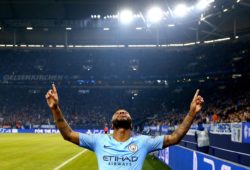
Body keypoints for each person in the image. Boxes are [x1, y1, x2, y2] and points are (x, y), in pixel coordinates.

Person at [45, 84, 204, 170]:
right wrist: (55, 109)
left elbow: (175, 137)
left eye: (125, 112)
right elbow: (68, 134)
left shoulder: (143, 142)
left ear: (131, 122)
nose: (121, 112)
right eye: (118, 112)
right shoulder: (98, 141)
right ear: (112, 123)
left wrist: (191, 113)